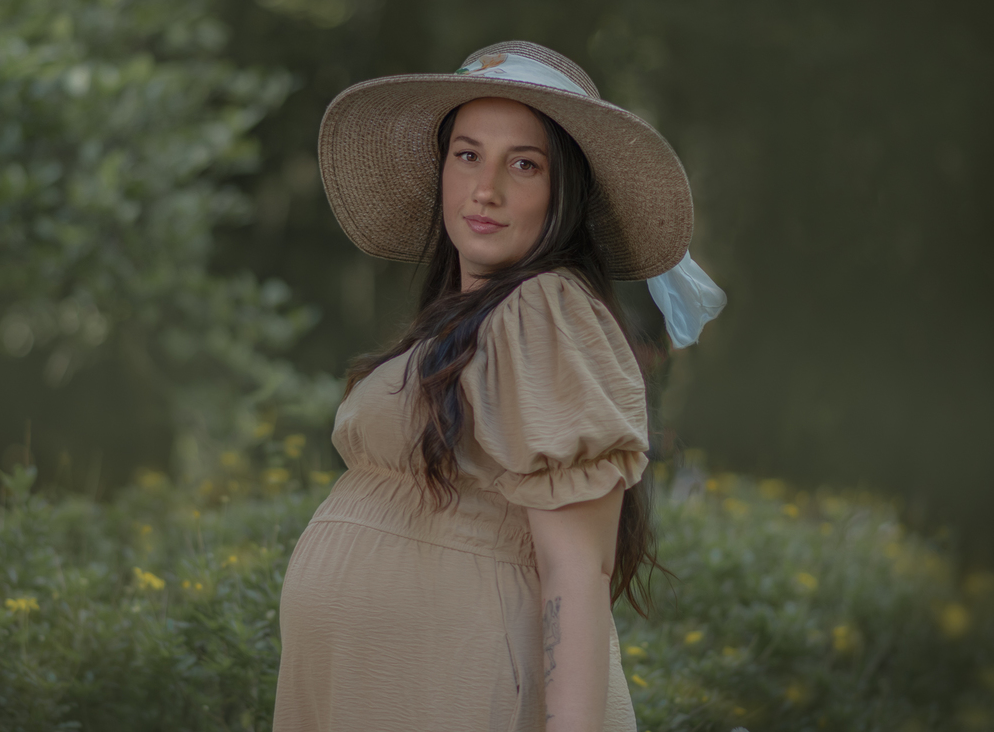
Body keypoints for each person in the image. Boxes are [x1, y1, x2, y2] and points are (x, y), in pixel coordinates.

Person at [273, 41, 724, 732]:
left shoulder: (547, 312)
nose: (487, 189)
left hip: (458, 689)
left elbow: (577, 569)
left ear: (563, 190)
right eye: (467, 154)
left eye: (523, 164)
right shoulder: (464, 324)